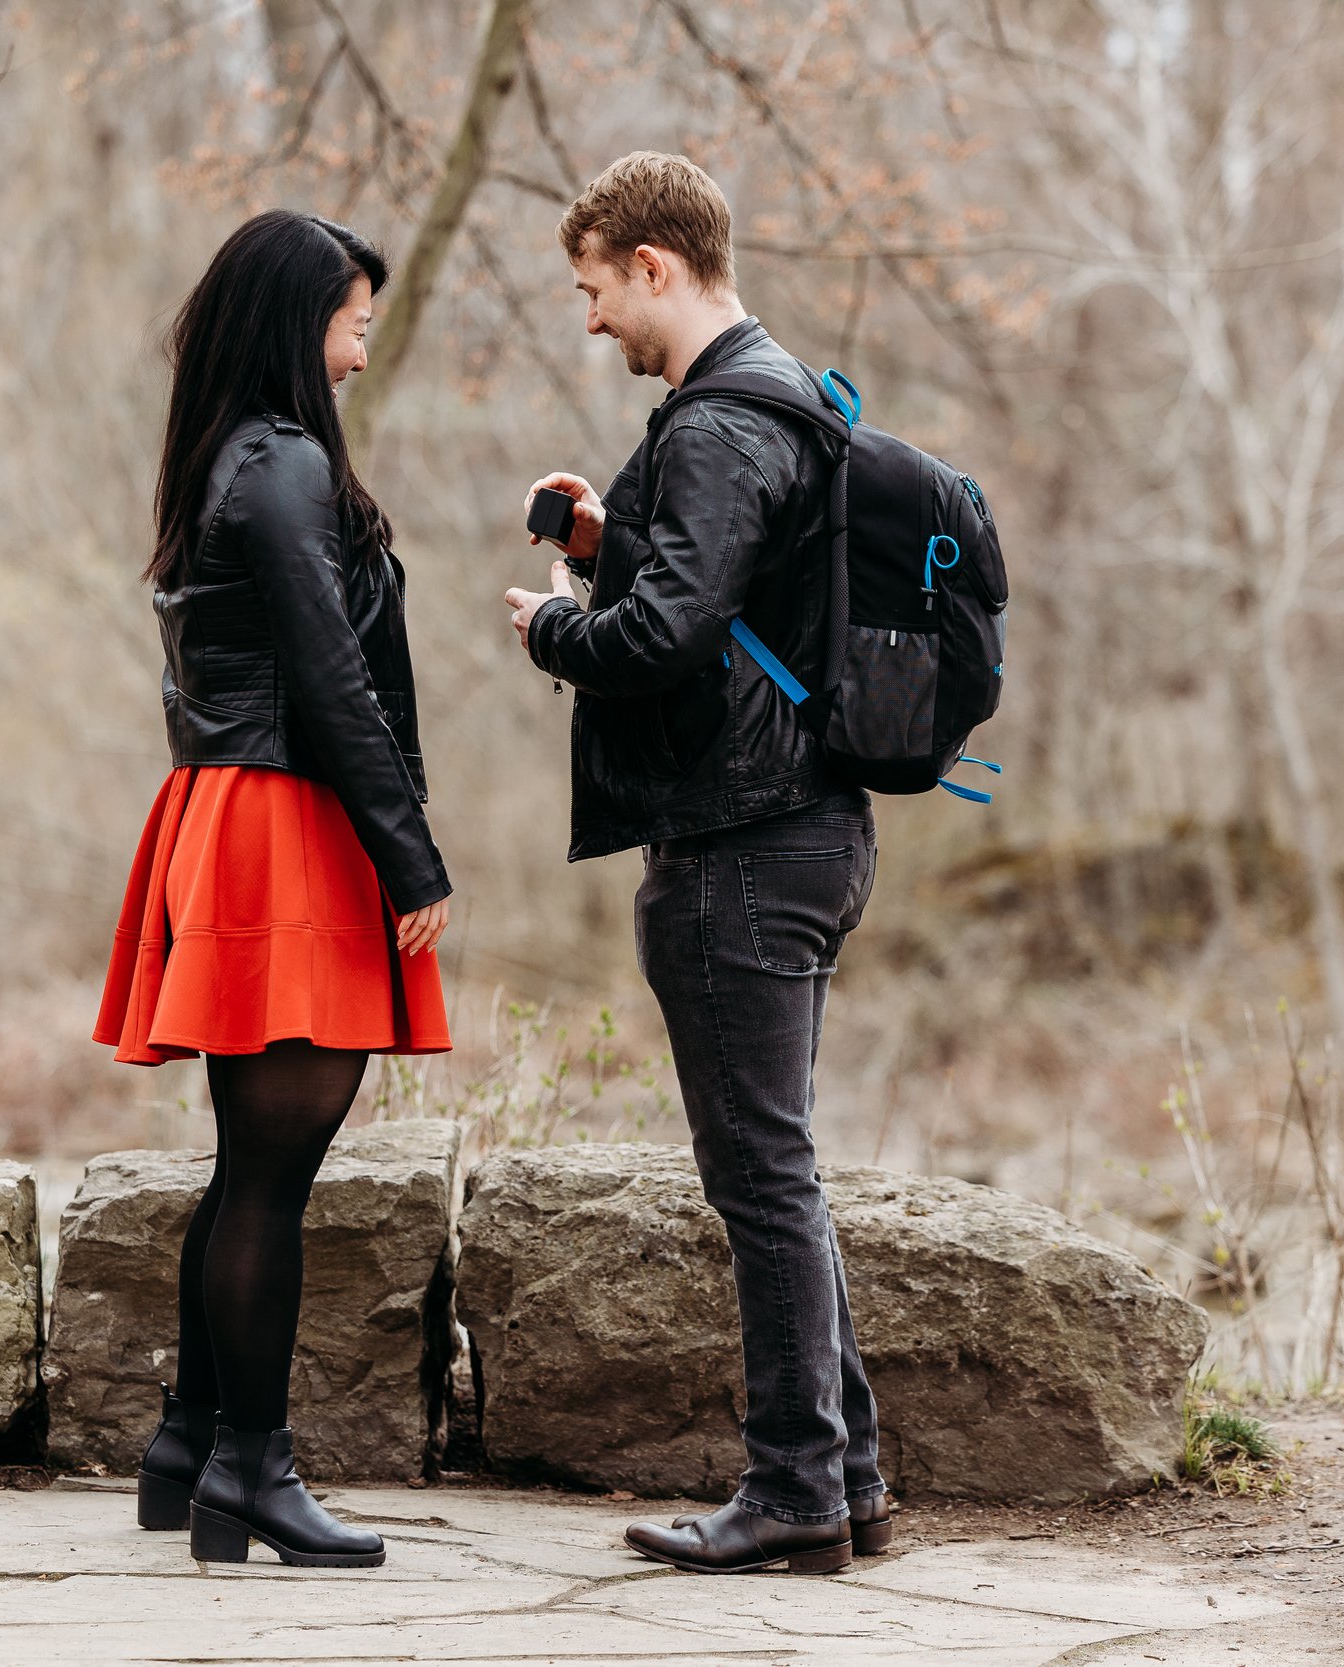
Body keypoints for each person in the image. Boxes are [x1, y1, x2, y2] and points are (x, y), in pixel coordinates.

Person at [500, 152, 891, 1576]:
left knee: (761, 1180)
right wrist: (612, 544)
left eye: (596, 288)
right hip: (802, 828)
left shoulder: (723, 423)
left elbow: (662, 645)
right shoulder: (778, 402)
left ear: (655, 265)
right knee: (778, 1167)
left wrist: (552, 626)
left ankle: (794, 1489)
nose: (592, 318)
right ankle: (844, 1483)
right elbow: (726, 610)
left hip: (744, 844)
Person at [96, 209, 452, 1570]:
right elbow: (330, 678)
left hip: (229, 810)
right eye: (355, 320)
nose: (363, 348)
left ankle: (191, 1441)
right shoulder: (284, 467)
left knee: (251, 1163)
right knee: (273, 1174)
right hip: (284, 822)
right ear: (298, 323)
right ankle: (252, 1469)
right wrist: (410, 855)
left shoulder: (223, 459)